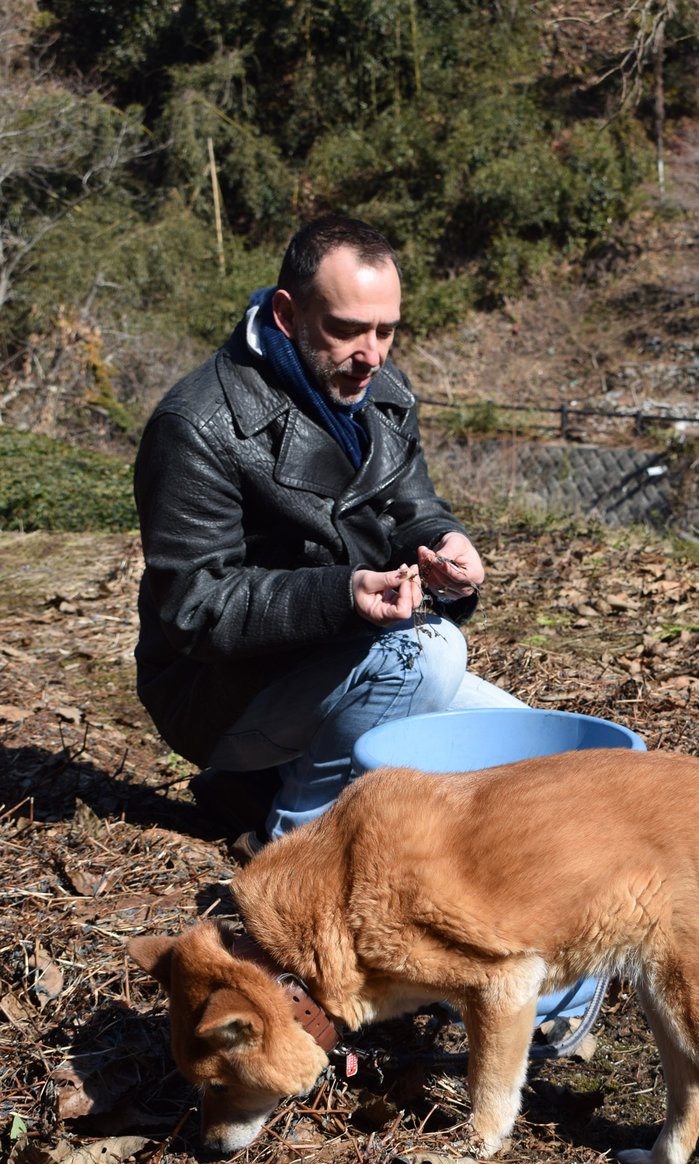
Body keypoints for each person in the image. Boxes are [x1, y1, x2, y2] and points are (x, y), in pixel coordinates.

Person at [133, 213, 521, 859]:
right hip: (219, 695)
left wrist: (449, 548)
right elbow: (194, 611)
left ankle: (259, 784)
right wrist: (342, 594)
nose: (370, 354)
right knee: (432, 652)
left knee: (536, 751)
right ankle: (288, 850)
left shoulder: (383, 394)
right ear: (287, 313)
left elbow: (415, 509)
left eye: (386, 330)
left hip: (356, 656)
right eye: (346, 330)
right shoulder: (196, 424)